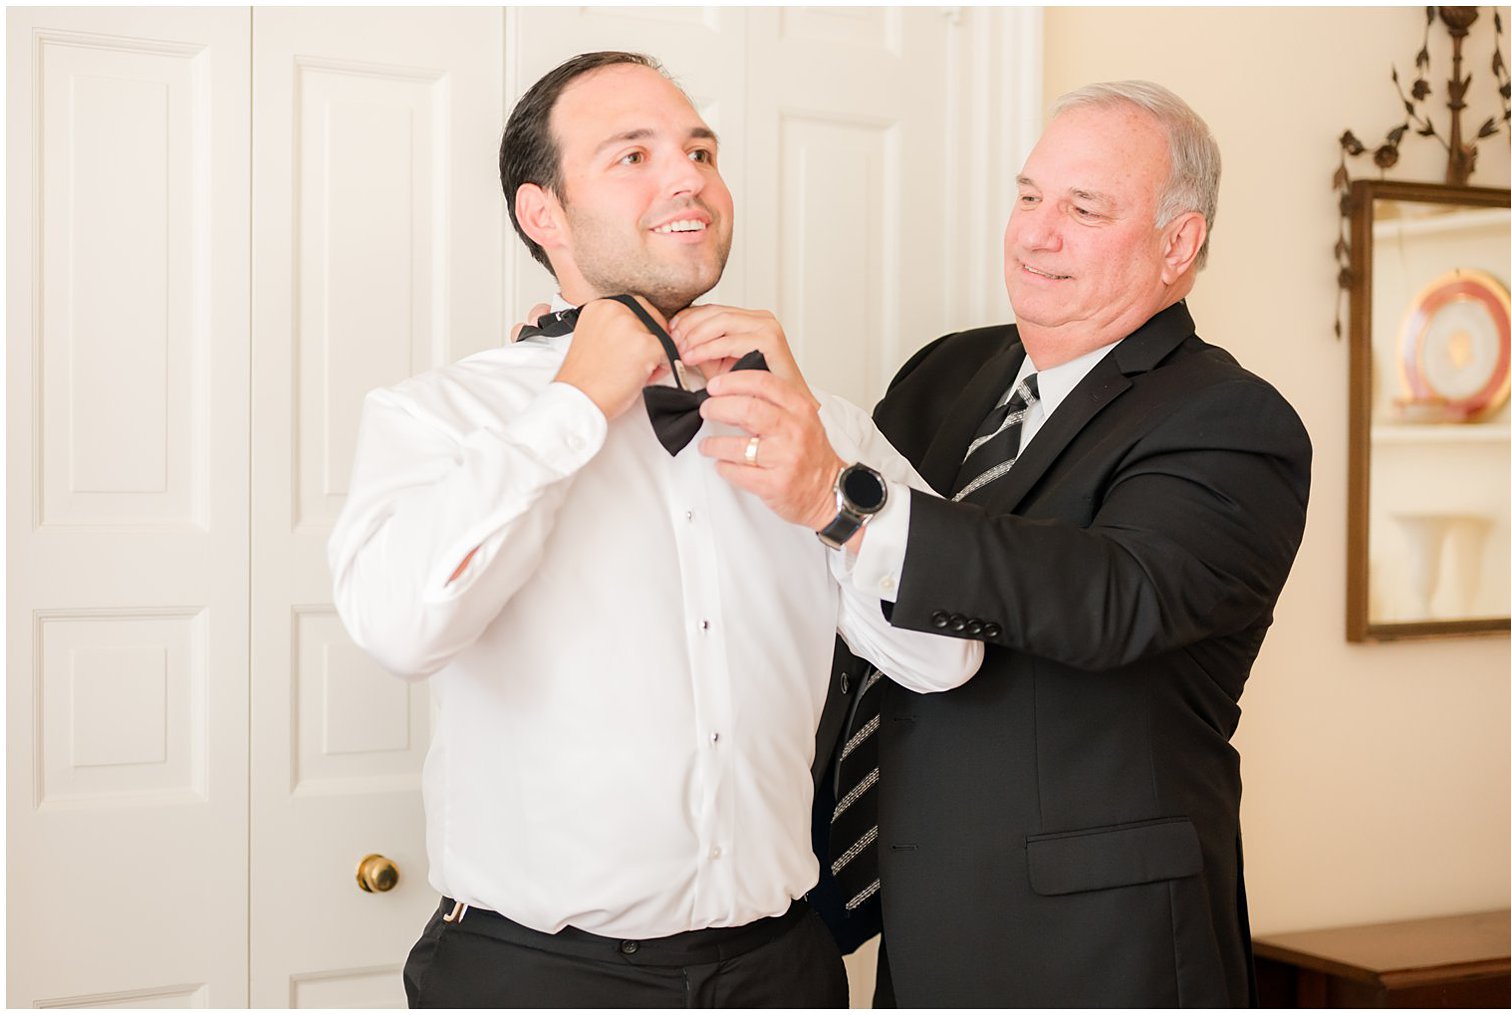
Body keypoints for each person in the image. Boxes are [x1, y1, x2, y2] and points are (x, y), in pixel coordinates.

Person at [326, 51, 979, 1009]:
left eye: (701, 151)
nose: (690, 178)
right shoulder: (440, 417)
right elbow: (400, 627)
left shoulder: (817, 420)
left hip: (783, 969)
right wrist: (577, 400)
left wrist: (830, 488)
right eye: (632, 155)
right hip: (532, 979)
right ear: (540, 213)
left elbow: (947, 658)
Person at [693, 81, 1312, 1006]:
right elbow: (855, 587)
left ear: (1178, 245)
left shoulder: (1235, 422)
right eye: (1029, 196)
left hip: (1104, 949)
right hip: (914, 922)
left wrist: (839, 492)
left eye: (1083, 208)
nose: (1035, 233)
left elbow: (1113, 596)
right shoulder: (946, 373)